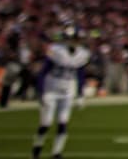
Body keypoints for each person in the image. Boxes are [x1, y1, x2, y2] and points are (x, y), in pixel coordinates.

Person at [31, 25, 90, 159]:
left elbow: (80, 75)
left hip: (68, 90)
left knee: (63, 122)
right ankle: (37, 148)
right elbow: (43, 72)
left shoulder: (82, 54)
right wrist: (40, 91)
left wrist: (80, 94)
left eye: (76, 39)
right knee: (46, 123)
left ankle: (57, 153)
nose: (74, 41)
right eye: (72, 38)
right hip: (51, 90)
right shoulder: (56, 51)